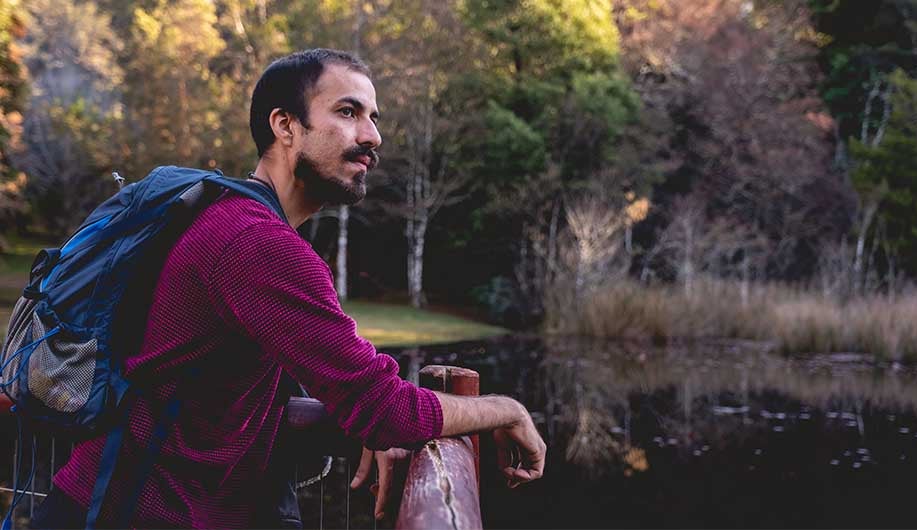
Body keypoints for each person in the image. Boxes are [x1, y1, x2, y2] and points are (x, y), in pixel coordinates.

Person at [31, 48, 545, 529]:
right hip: (125, 515)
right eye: (348, 112)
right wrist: (506, 409)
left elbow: (345, 400)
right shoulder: (256, 244)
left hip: (111, 503)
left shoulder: (226, 217)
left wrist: (370, 420)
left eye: (374, 117)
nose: (372, 136)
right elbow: (385, 407)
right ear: (285, 126)